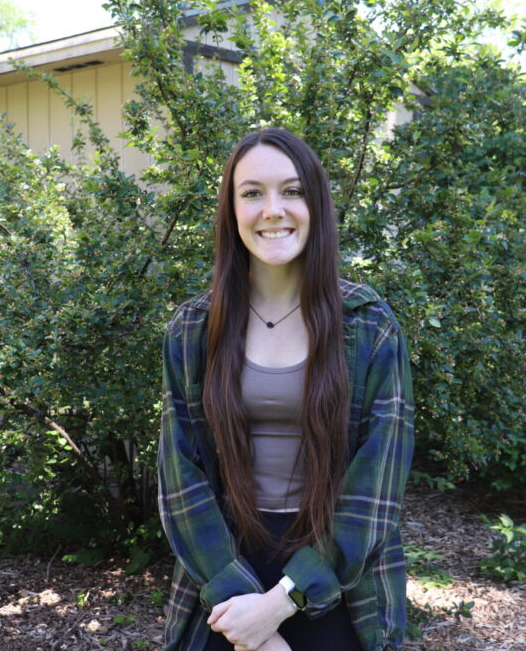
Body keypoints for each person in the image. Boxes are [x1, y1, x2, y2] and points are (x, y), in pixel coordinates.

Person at [158, 128, 414, 651]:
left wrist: (278, 607)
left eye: (292, 191)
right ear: (231, 210)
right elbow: (179, 475)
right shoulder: (192, 329)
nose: (272, 209)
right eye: (252, 193)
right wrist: (245, 613)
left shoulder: (370, 325)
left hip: (339, 570)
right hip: (225, 569)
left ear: (315, 204)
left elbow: (378, 483)